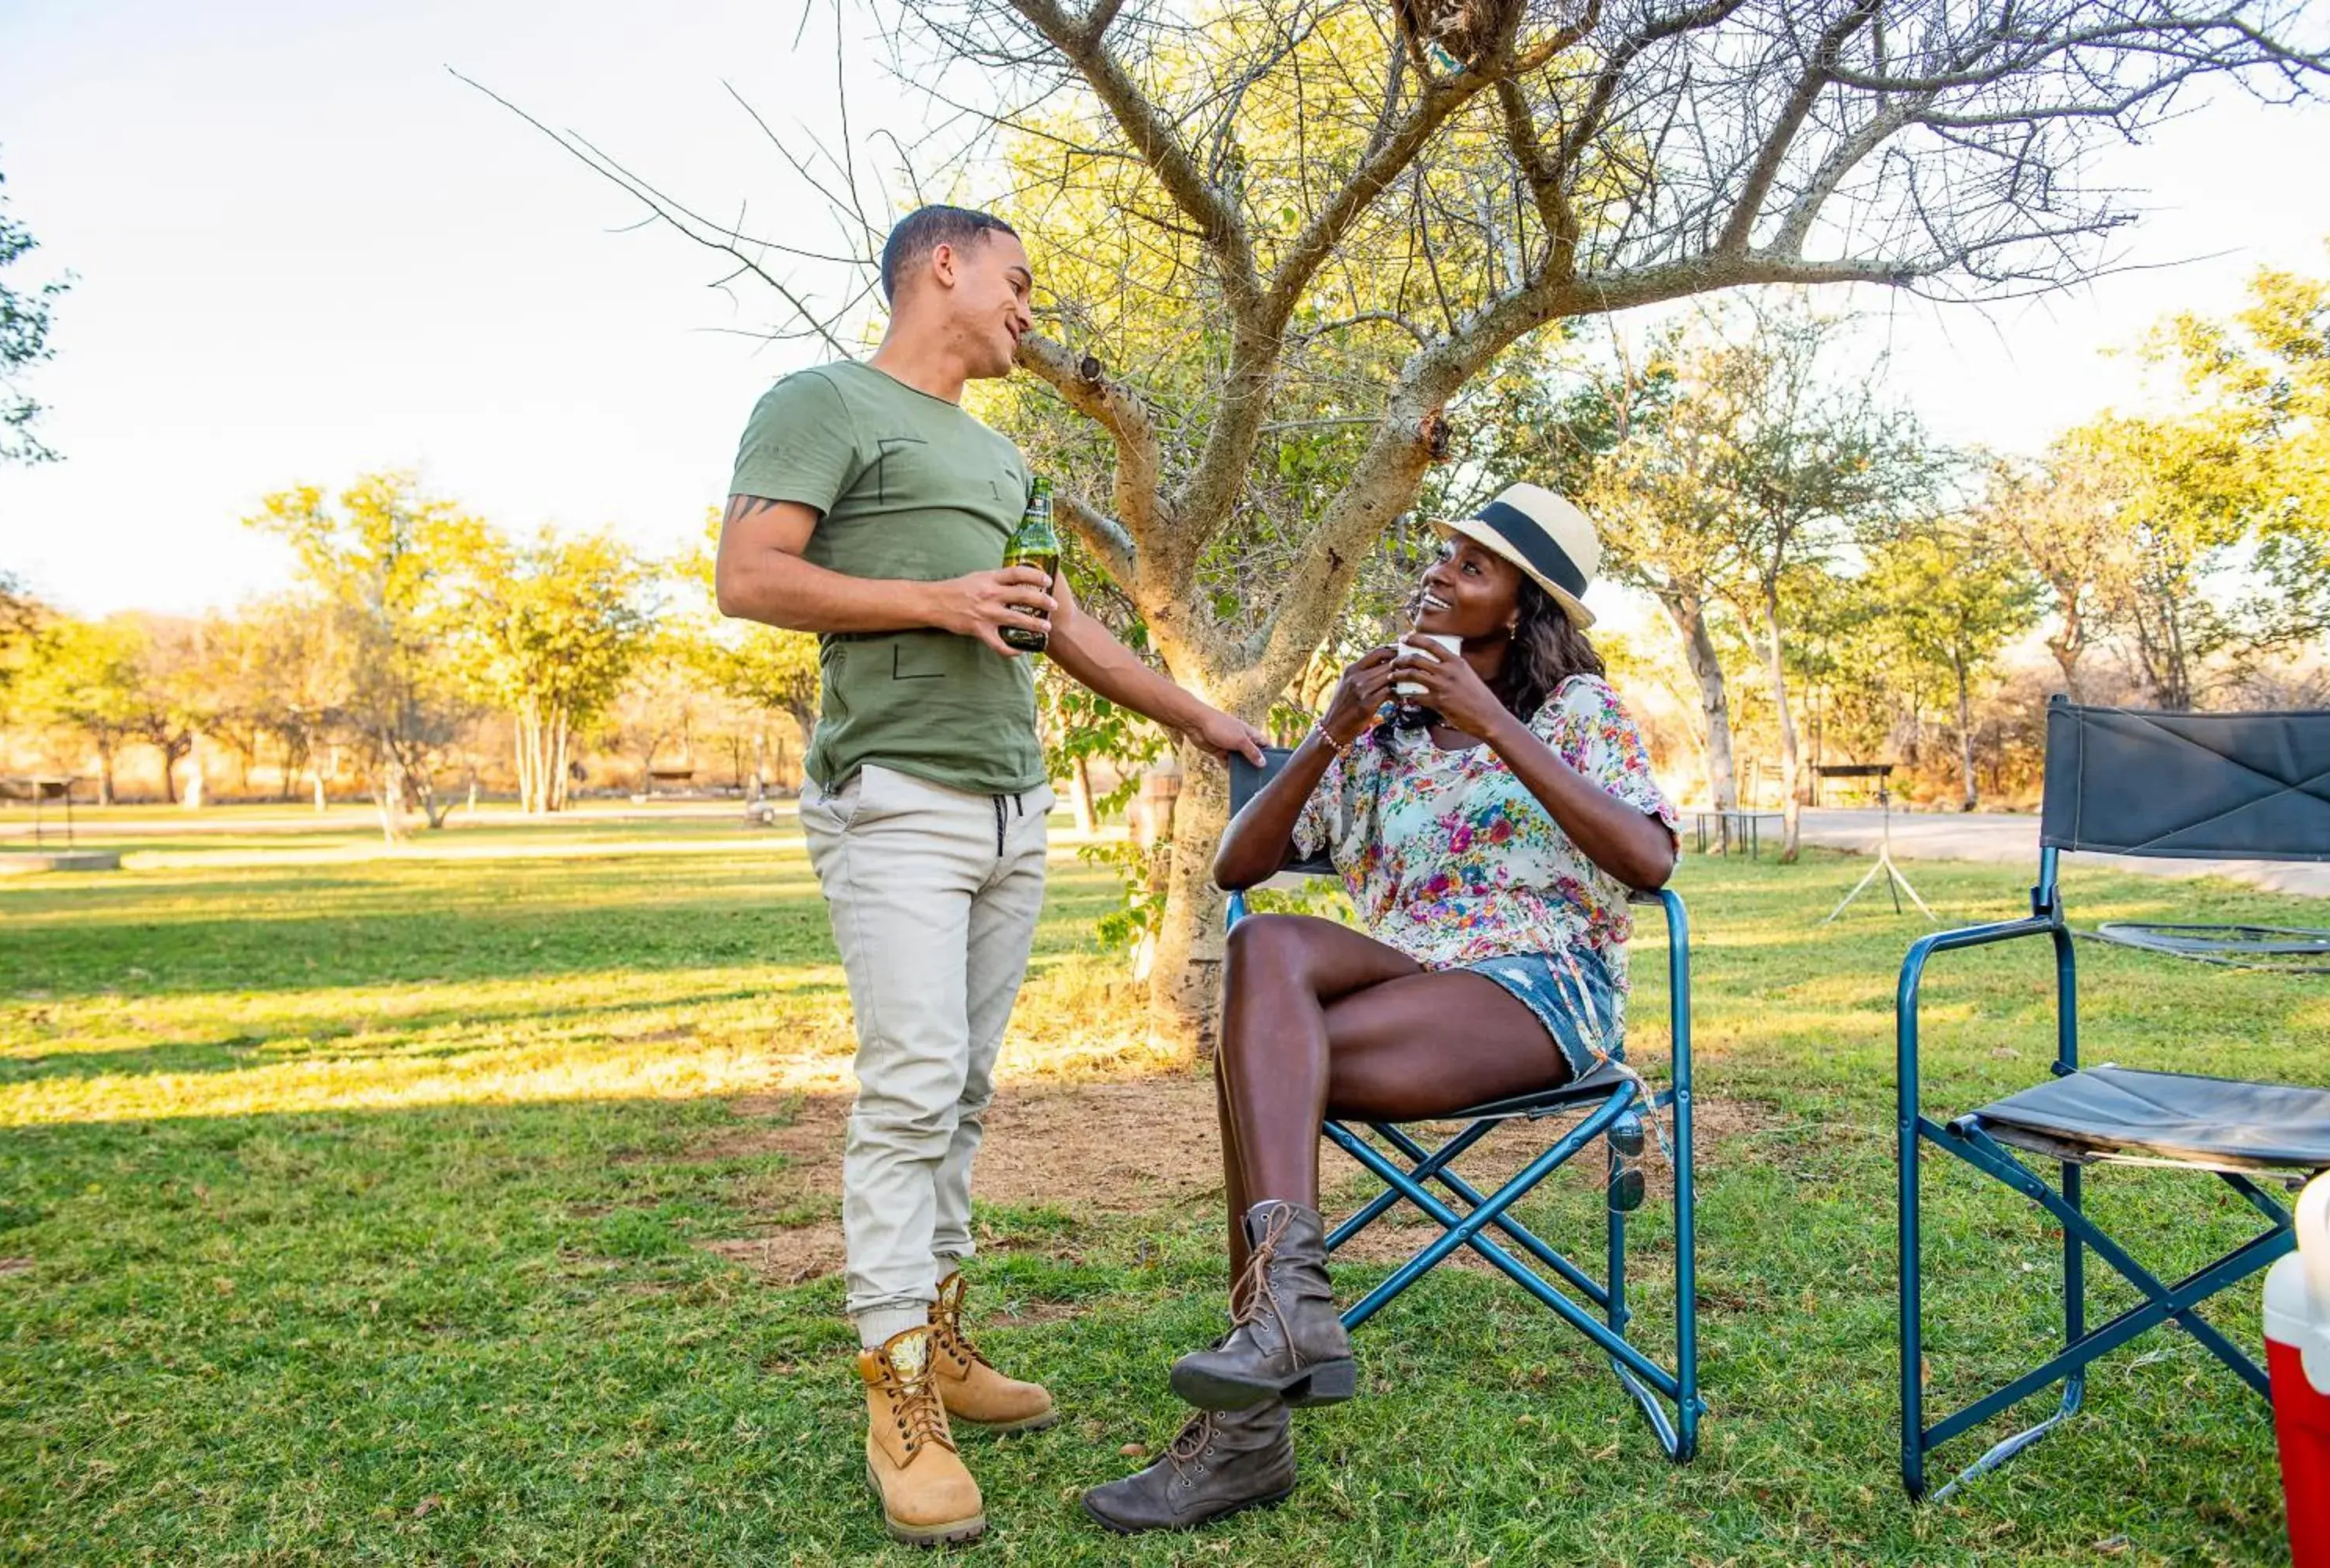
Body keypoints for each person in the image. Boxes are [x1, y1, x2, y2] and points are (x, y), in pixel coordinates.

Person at [713, 204, 1266, 1548]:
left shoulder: (1006, 454)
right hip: (894, 795)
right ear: (942, 266)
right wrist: (938, 601)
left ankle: (941, 1333)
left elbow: (1060, 622)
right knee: (909, 1083)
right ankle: (894, 1390)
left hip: (1012, 814)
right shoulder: (821, 401)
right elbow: (747, 576)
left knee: (959, 1089)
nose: (1031, 306)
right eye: (1019, 278)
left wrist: (1205, 719)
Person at [1081, 482, 1679, 1534]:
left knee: (1260, 1064)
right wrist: (1333, 722)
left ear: (1522, 608)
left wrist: (1488, 722)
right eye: (1442, 552)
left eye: (1472, 565)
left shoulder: (1578, 713)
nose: (1438, 571)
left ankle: (1247, 1434)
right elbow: (1239, 862)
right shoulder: (1383, 734)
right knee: (1264, 942)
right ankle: (1288, 1317)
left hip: (1539, 986)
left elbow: (1647, 857)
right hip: (1405, 973)